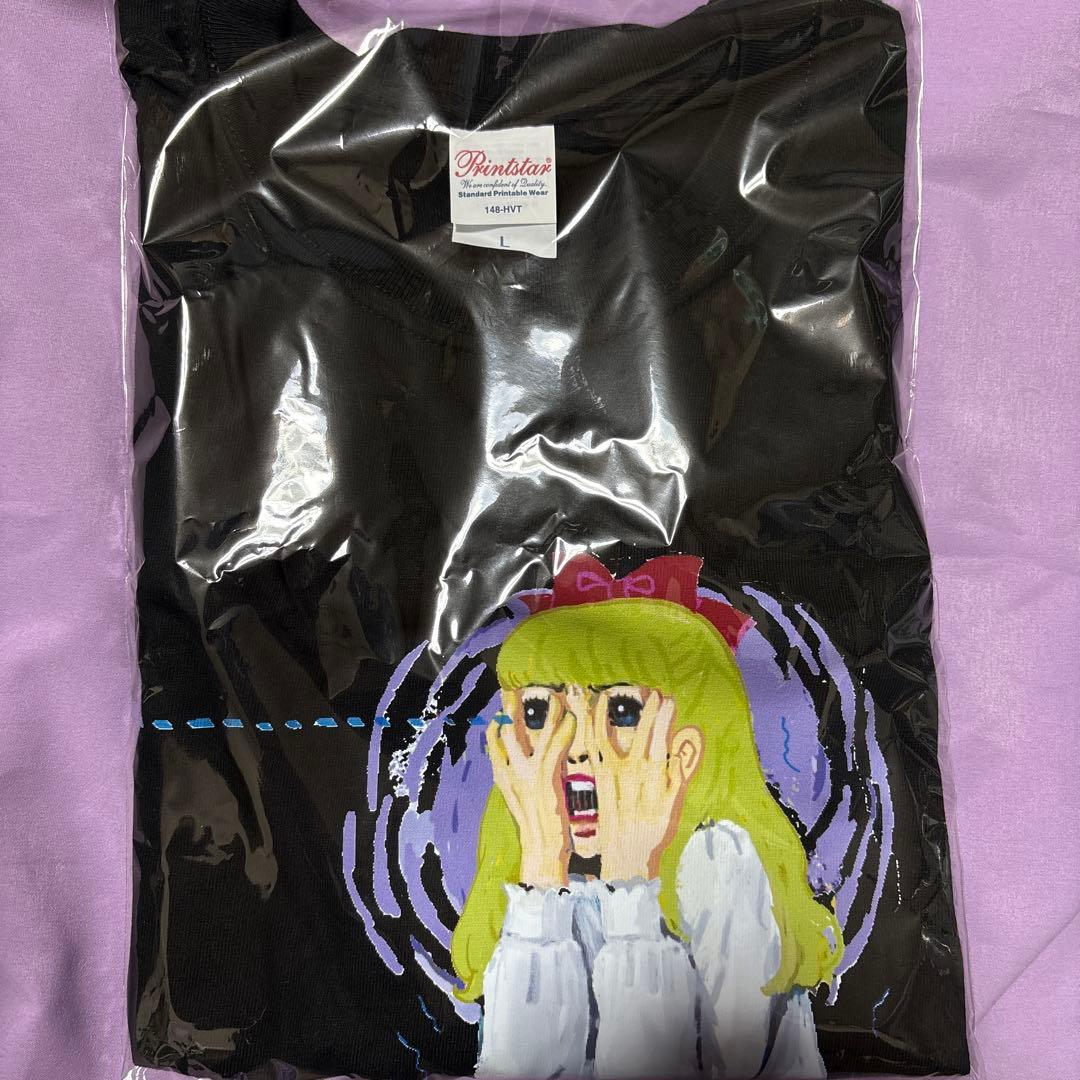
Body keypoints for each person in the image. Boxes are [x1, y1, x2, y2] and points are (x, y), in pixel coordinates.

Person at [449, 555, 843, 1079]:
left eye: (621, 712)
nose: (575, 748)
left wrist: (631, 884)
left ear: (684, 752)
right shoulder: (544, 878)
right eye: (540, 713)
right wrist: (541, 869)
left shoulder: (718, 860)